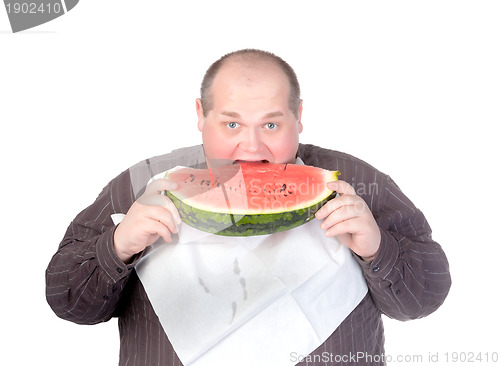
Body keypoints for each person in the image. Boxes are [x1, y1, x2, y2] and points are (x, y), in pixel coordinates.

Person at [46, 49, 451, 365]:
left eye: (271, 125)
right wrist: (116, 246)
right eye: (232, 124)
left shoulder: (355, 181)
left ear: (299, 116)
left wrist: (379, 249)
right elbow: (67, 302)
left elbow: (424, 299)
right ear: (201, 116)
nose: (253, 148)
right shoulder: (142, 183)